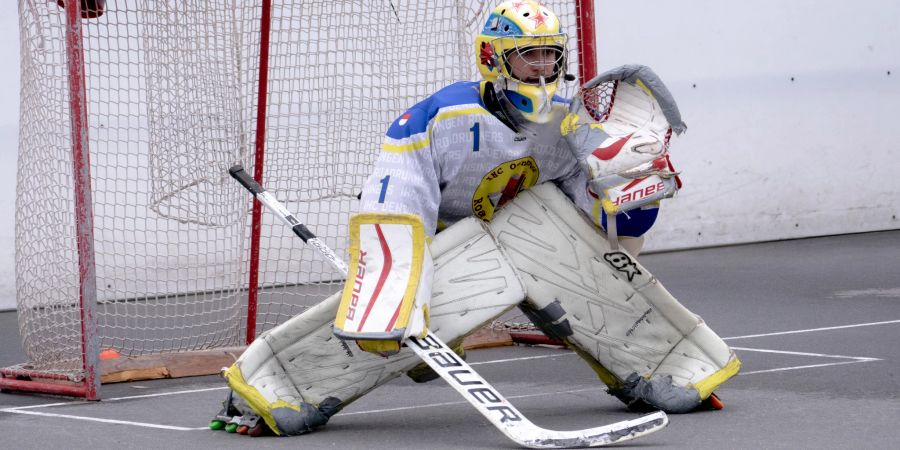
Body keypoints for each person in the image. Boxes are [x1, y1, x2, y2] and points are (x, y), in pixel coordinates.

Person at [215, 0, 739, 437]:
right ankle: (273, 389)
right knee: (395, 335)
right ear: (492, 57)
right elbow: (395, 206)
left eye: (549, 56)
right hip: (446, 243)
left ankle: (670, 367)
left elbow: (599, 233)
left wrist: (632, 191)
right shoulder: (436, 118)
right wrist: (392, 288)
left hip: (526, 236)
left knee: (594, 250)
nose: (541, 68)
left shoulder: (568, 125)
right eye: (527, 56)